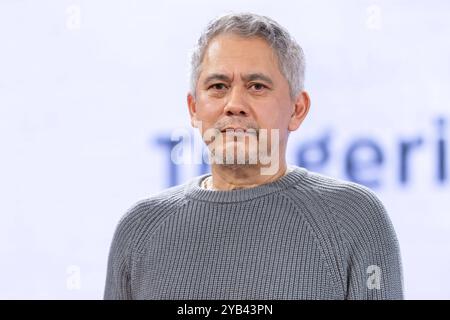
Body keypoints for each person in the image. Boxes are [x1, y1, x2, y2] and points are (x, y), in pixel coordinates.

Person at [104, 12, 404, 300]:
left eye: (256, 86)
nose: (234, 104)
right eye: (218, 86)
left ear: (297, 109)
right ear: (194, 108)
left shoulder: (354, 219)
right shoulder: (139, 229)